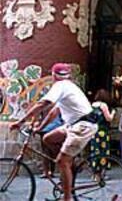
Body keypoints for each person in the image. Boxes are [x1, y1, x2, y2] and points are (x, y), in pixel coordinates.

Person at [9, 63, 98, 201]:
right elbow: (54, 111)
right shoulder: (68, 86)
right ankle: (70, 165)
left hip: (82, 126)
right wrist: (40, 128)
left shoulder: (61, 86)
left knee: (62, 161)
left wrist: (20, 121)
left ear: (53, 75)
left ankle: (67, 197)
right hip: (73, 125)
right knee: (48, 139)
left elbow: (42, 104)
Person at [90, 89, 116, 174]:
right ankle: (102, 171)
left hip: (94, 131)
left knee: (95, 151)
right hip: (103, 130)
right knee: (103, 151)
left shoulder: (92, 105)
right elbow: (109, 118)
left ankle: (95, 172)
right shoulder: (103, 105)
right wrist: (113, 113)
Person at [37, 111, 63, 178]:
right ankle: (51, 171)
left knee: (46, 152)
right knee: (52, 151)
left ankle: (47, 171)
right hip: (56, 127)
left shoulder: (47, 104)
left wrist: (38, 127)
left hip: (48, 128)